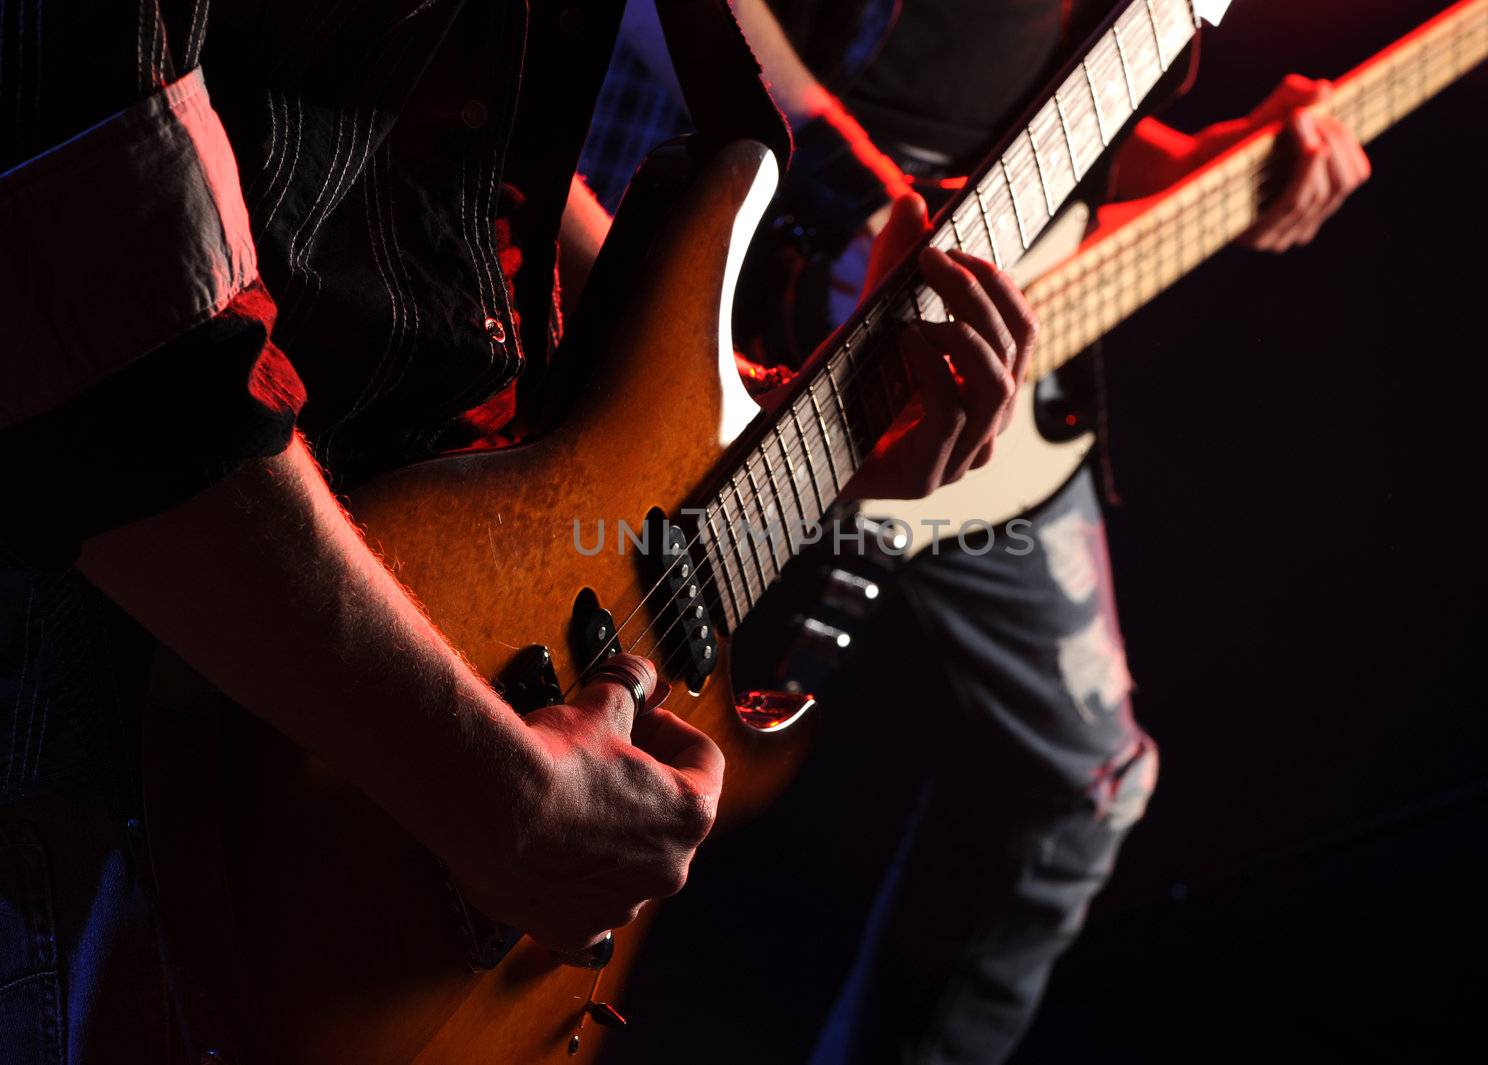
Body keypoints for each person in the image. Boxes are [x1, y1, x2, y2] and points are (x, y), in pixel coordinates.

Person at [0, 3, 1037, 1061]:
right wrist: (496, 798)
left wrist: (781, 434)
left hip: (403, 724)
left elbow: (436, 174)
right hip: (104, 774)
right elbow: (102, 326)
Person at [577, 2, 1371, 1062]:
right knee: (582, 705)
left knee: (1080, 788)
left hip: (940, 317)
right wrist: (845, 197)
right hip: (673, 235)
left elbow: (1006, 103)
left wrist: (1207, 166)